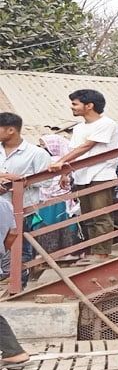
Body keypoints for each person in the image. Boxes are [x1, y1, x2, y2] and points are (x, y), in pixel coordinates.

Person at [49, 89, 118, 264]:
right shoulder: (79, 127)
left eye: (75, 103)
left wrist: (61, 162)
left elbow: (86, 147)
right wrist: (65, 172)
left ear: (89, 106)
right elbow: (75, 151)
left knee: (101, 216)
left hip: (101, 174)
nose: (72, 107)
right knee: (87, 217)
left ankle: (102, 253)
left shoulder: (107, 123)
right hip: (81, 176)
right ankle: (92, 251)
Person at [0, 112, 52, 276]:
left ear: (10, 130)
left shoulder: (37, 153)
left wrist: (23, 181)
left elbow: (46, 181)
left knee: (20, 248)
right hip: (1, 208)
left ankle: (18, 285)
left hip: (22, 209)